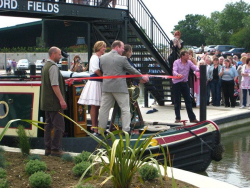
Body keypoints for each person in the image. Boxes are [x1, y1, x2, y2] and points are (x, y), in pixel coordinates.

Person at [98, 40, 148, 134]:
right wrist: (142, 77)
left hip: (107, 87)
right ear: (117, 47)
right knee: (125, 109)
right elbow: (132, 70)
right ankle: (126, 130)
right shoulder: (122, 59)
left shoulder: (102, 58)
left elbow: (102, 69)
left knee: (104, 109)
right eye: (122, 48)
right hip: (119, 88)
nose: (123, 50)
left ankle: (101, 131)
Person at [40, 46, 67, 157]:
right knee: (59, 126)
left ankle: (48, 148)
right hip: (54, 103)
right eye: (59, 54)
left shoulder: (45, 66)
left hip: (46, 102)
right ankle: (56, 149)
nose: (60, 57)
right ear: (53, 54)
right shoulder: (53, 67)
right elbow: (55, 85)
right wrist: (62, 100)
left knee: (48, 125)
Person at [78, 41, 106, 134]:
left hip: (99, 82)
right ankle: (94, 127)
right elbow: (95, 70)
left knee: (97, 106)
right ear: (99, 48)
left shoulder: (100, 57)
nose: (105, 49)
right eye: (103, 47)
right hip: (95, 83)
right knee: (94, 105)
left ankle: (96, 126)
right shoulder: (94, 57)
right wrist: (103, 77)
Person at [172, 50, 199, 123]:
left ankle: (192, 118)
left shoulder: (189, 62)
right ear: (182, 56)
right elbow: (174, 71)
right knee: (177, 100)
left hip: (184, 82)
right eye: (187, 55)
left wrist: (201, 69)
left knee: (188, 100)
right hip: (176, 82)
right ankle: (177, 118)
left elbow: (194, 68)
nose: (188, 56)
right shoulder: (176, 62)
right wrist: (177, 74)